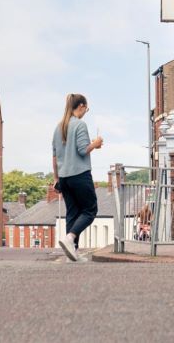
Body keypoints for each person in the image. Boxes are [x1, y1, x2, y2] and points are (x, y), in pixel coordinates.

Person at [51, 93, 103, 261]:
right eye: (86, 108)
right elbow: (82, 150)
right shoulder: (79, 125)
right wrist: (96, 144)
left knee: (72, 213)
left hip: (64, 177)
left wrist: (56, 179)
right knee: (90, 210)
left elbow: (54, 157)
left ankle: (72, 254)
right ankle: (70, 237)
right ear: (80, 106)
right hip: (80, 175)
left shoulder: (58, 127)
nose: (85, 111)